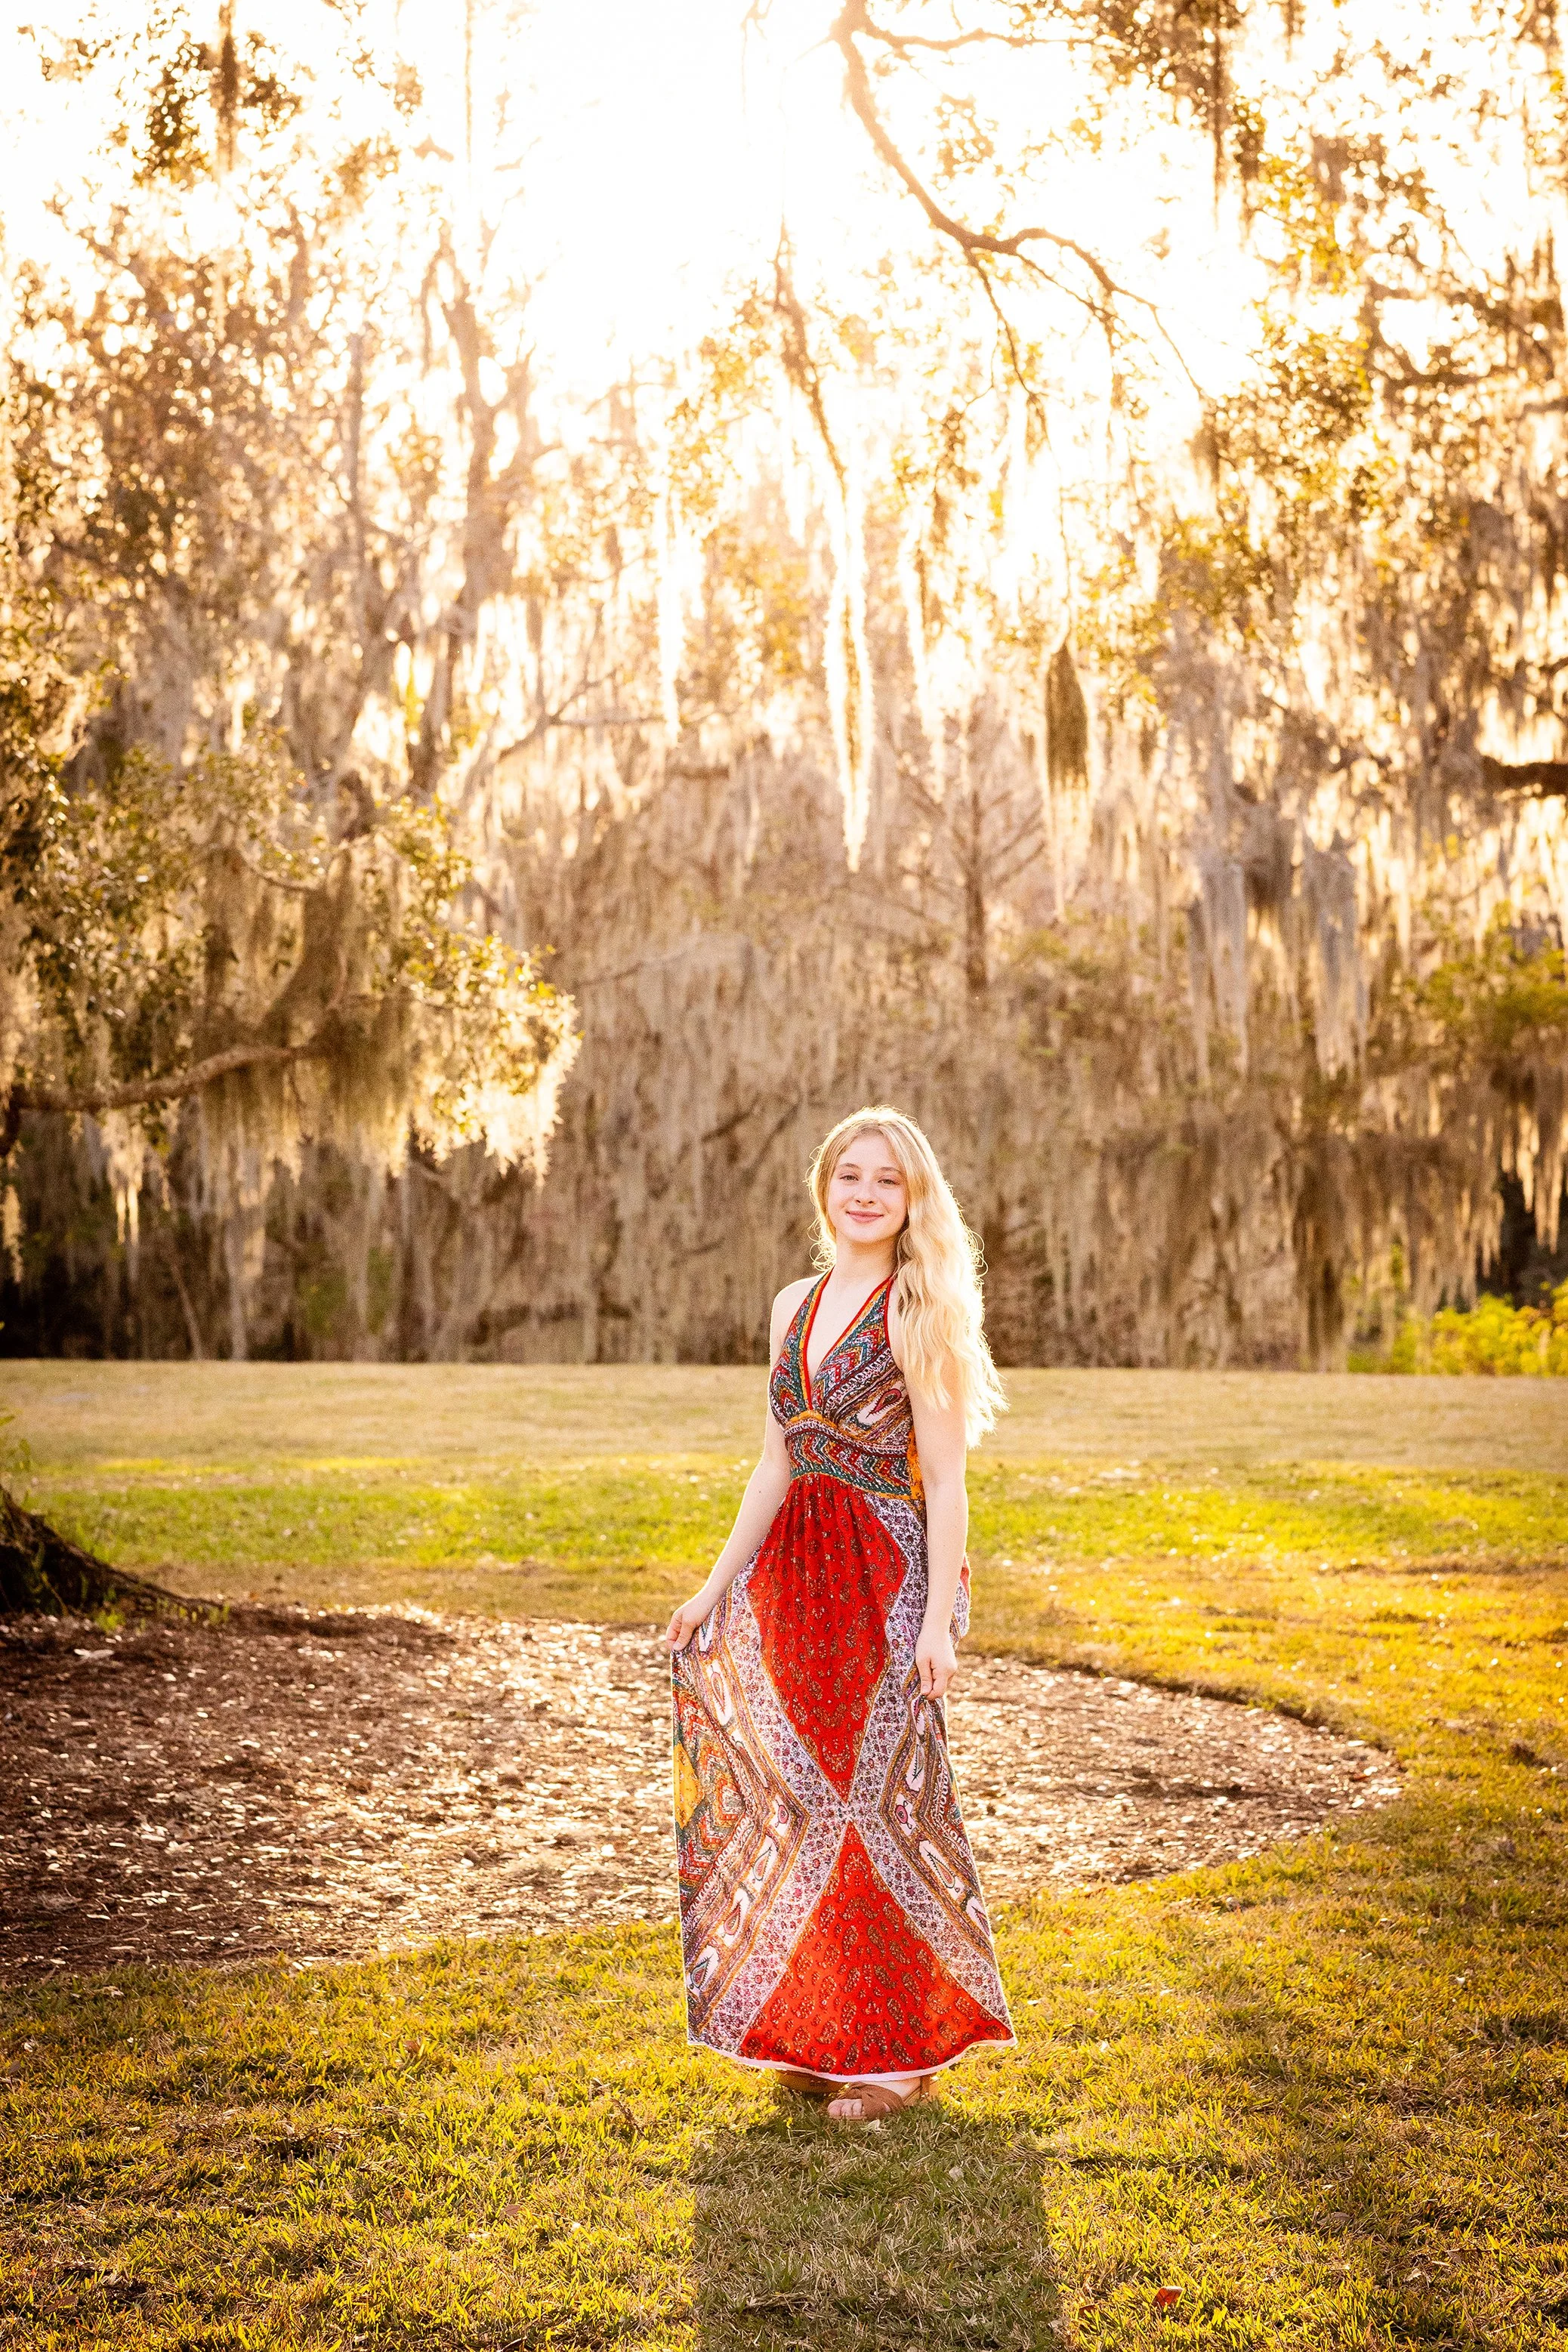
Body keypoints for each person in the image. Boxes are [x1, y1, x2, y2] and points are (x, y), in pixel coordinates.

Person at [666, 1105, 1016, 2124]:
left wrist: (937, 1622)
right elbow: (777, 1458)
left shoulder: (920, 1307)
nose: (865, 1193)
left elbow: (946, 1481)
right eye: (850, 1175)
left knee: (886, 1804)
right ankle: (822, 2031)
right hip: (794, 1573)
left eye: (888, 1180)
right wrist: (714, 1583)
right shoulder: (793, 1304)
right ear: (825, 1186)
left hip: (884, 1573)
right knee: (800, 1795)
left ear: (914, 1200)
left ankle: (900, 2055)